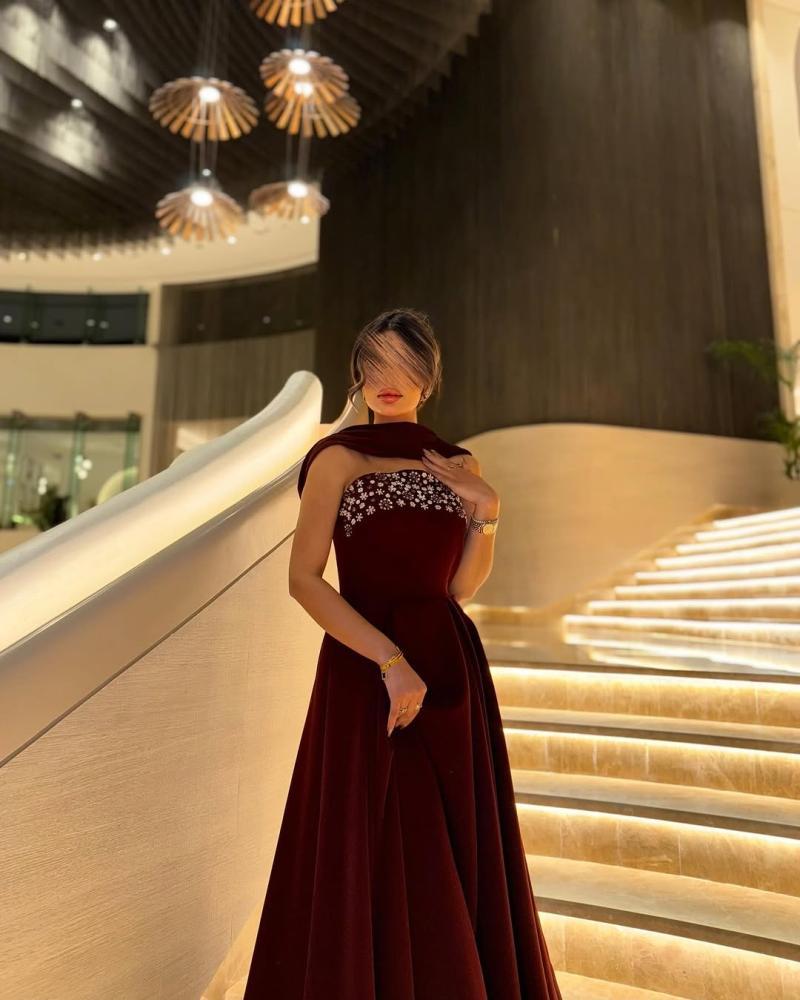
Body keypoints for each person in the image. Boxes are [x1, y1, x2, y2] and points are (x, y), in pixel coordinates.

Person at [242, 308, 562, 999]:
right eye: (375, 363)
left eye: (404, 364)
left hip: (449, 667)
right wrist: (390, 663)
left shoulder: (460, 463)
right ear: (358, 374)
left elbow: (458, 588)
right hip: (367, 667)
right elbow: (304, 581)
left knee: (453, 841)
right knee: (378, 841)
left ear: (429, 376)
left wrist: (487, 511)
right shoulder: (338, 459)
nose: (388, 378)